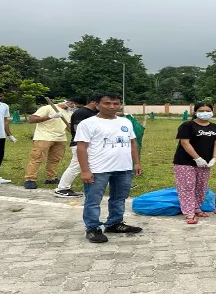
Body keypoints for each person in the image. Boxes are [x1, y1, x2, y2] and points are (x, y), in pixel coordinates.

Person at [76, 93, 143, 243]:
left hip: (123, 167)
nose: (112, 106)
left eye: (115, 103)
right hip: (98, 169)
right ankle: (92, 228)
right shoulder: (88, 124)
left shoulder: (125, 122)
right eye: (107, 103)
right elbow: (81, 148)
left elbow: (133, 143)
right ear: (97, 104)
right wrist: (85, 170)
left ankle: (115, 223)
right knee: (93, 200)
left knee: (119, 198)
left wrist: (136, 162)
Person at [172, 102, 216, 224]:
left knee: (201, 186)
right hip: (185, 162)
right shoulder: (187, 125)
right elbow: (185, 143)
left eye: (207, 110)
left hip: (205, 163)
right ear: (195, 112)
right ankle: (189, 213)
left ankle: (196, 207)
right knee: (187, 187)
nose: (205, 113)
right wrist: (197, 158)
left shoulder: (215, 127)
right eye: (201, 111)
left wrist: (214, 158)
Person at [24, 99, 81, 189]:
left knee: (55, 159)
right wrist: (50, 116)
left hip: (60, 138)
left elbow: (68, 127)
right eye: (76, 106)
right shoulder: (48, 108)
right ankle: (30, 179)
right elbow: (31, 119)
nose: (76, 108)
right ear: (70, 103)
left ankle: (51, 178)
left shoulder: (69, 113)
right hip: (43, 137)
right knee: (37, 158)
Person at [54, 96, 98, 197]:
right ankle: (62, 188)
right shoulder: (82, 113)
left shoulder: (93, 112)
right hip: (80, 144)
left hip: (90, 144)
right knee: (76, 166)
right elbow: (78, 130)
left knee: (95, 165)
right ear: (93, 102)